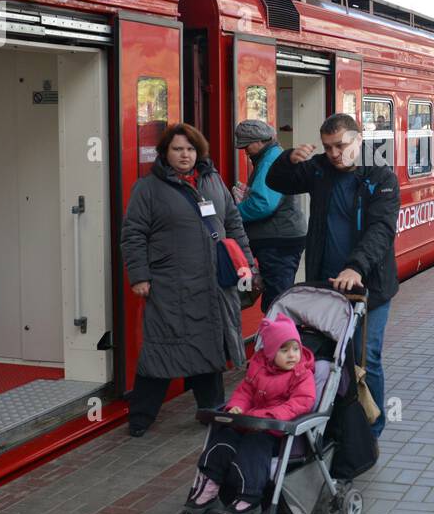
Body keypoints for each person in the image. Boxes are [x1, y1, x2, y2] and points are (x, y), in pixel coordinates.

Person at [267, 113, 399, 437]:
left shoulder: (381, 178)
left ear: (358, 140)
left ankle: (372, 430)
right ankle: (338, 424)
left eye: (340, 146)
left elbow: (381, 230)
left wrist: (356, 266)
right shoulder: (319, 170)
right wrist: (287, 159)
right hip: (326, 286)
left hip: (370, 287)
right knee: (331, 356)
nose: (334, 154)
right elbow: (276, 182)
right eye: (327, 148)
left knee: (365, 357)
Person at [121, 123, 254, 437]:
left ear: (199, 152)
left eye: (190, 149)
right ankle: (140, 418)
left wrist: (247, 263)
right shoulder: (148, 188)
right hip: (171, 284)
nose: (185, 155)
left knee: (209, 346)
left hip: (213, 283)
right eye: (178, 149)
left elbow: (233, 223)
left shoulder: (212, 180)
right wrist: (139, 275)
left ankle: (213, 411)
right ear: (165, 153)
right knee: (161, 350)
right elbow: (133, 234)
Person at [186, 314, 317, 514]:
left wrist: (267, 416)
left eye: (295, 349)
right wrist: (236, 407)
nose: (292, 355)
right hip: (248, 422)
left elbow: (300, 403)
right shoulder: (259, 368)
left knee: (253, 447)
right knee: (223, 439)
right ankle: (209, 485)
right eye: (284, 350)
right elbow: (245, 392)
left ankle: (250, 495)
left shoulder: (302, 375)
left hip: (276, 430)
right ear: (271, 353)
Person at [231, 120, 306, 313]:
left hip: (278, 241)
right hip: (280, 238)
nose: (245, 152)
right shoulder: (272, 156)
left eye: (246, 146)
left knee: (276, 302)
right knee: (277, 297)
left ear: (259, 141)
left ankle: (280, 340)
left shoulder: (270, 160)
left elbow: (263, 204)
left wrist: (233, 214)